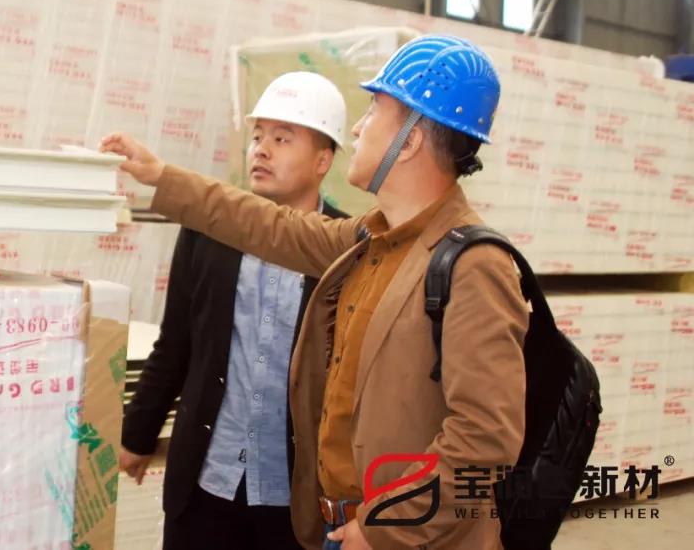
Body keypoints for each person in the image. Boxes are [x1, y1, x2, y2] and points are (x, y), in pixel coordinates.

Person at [101, 35, 528, 550]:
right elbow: (267, 225)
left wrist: (386, 526)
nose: (358, 127)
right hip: (339, 523)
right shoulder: (372, 239)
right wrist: (161, 177)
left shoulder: (474, 266)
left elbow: (485, 443)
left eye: (374, 111)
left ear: (410, 140)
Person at [119, 72, 350, 550]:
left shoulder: (346, 250)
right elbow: (175, 342)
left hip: (296, 497)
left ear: (323, 160)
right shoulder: (208, 231)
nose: (261, 150)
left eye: (282, 139)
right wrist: (137, 435)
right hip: (208, 478)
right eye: (258, 136)